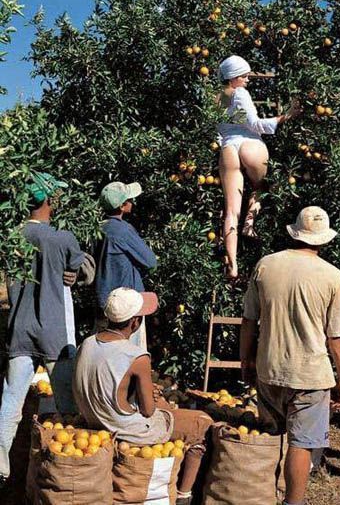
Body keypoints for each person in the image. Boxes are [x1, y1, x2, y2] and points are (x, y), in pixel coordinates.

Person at [241, 206, 340, 505]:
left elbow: (249, 320)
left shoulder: (266, 265)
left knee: (271, 437)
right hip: (310, 374)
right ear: (323, 239)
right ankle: (293, 502)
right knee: (301, 444)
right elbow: (337, 338)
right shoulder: (333, 277)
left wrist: (246, 361)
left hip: (270, 366)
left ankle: (261, 494)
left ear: (295, 232)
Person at [73, 287, 213, 505]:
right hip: (127, 429)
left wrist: (142, 393)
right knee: (201, 424)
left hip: (96, 420)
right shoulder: (136, 356)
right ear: (135, 322)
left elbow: (108, 384)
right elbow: (148, 410)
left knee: (168, 408)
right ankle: (184, 495)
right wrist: (150, 395)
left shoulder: (87, 344)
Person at [0, 172, 94, 488]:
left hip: (19, 330)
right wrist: (75, 273)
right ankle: (65, 470)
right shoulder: (62, 238)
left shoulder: (12, 237)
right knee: (67, 404)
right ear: (50, 201)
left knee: (10, 403)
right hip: (56, 333)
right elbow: (83, 269)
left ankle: (1, 469)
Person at [216, 55, 300, 278]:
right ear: (233, 78)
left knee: (231, 210)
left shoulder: (217, 97)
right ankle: (250, 224)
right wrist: (286, 116)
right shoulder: (240, 94)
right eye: (243, 76)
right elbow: (255, 125)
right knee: (261, 186)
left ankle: (232, 263)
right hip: (249, 145)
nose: (247, 80)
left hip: (228, 149)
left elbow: (216, 130)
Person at [95, 181, 157, 350]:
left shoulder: (98, 228)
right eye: (129, 199)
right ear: (122, 206)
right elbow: (150, 262)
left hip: (103, 301)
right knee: (128, 355)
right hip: (127, 305)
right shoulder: (123, 230)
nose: (132, 202)